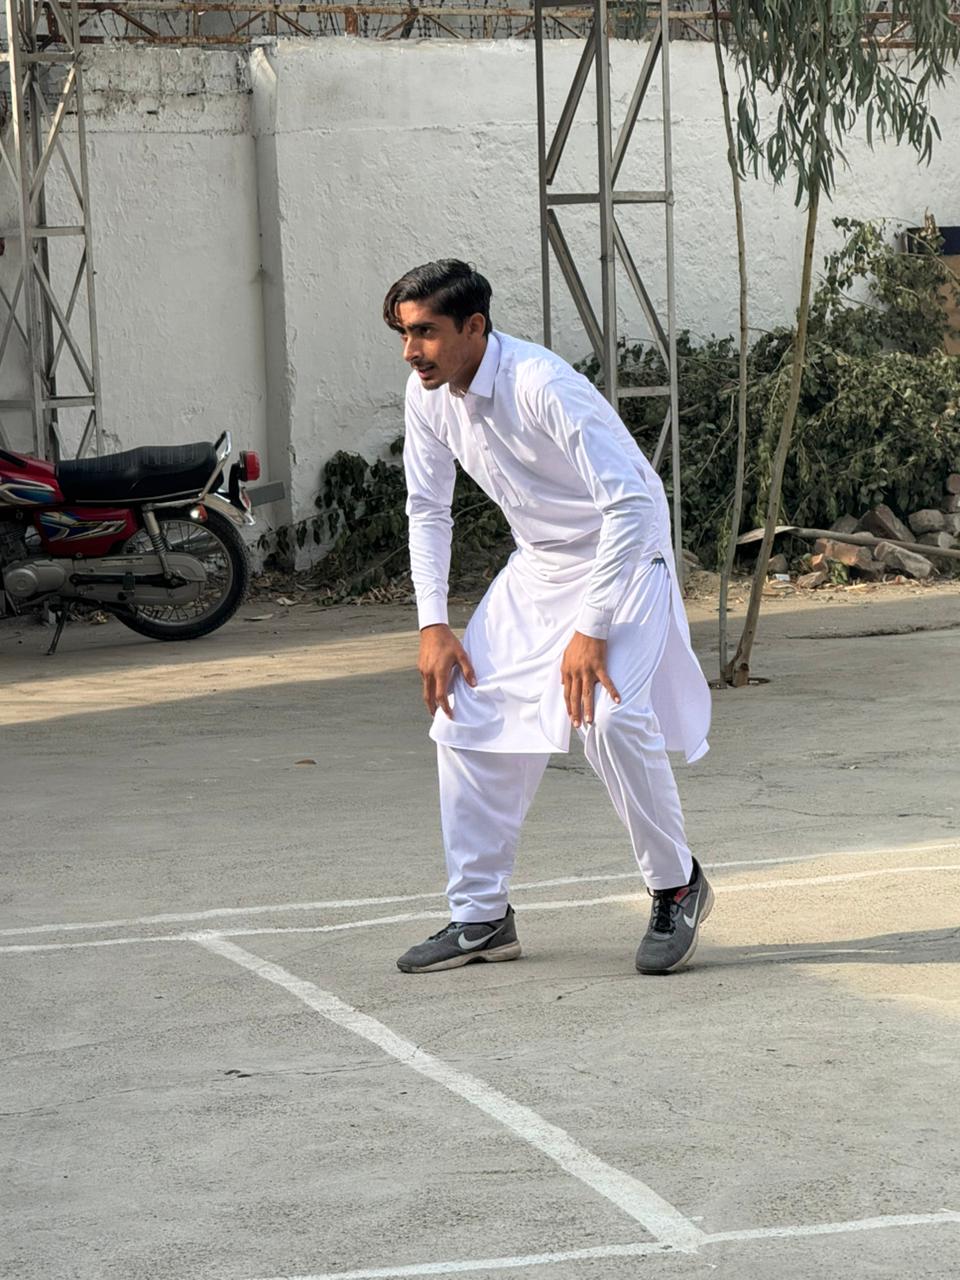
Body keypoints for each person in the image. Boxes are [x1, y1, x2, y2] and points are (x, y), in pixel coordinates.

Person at [383, 259, 713, 976]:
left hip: (626, 555)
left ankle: (677, 885)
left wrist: (592, 628)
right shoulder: (427, 395)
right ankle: (481, 918)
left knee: (610, 717)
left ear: (474, 326)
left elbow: (631, 502)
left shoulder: (542, 384)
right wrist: (433, 624)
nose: (411, 351)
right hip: (539, 565)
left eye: (425, 332)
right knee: (463, 709)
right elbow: (427, 508)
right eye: (404, 334)